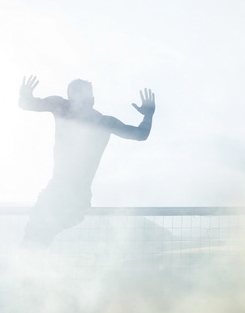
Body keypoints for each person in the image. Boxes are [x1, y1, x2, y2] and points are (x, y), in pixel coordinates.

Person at [19, 75, 156, 246]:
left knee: (35, 238)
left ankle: (34, 256)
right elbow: (140, 134)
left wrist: (148, 115)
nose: (82, 102)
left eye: (84, 97)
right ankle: (34, 260)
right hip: (68, 195)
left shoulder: (95, 119)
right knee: (36, 238)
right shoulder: (66, 108)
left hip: (70, 195)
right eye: (79, 96)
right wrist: (148, 115)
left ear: (92, 100)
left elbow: (140, 135)